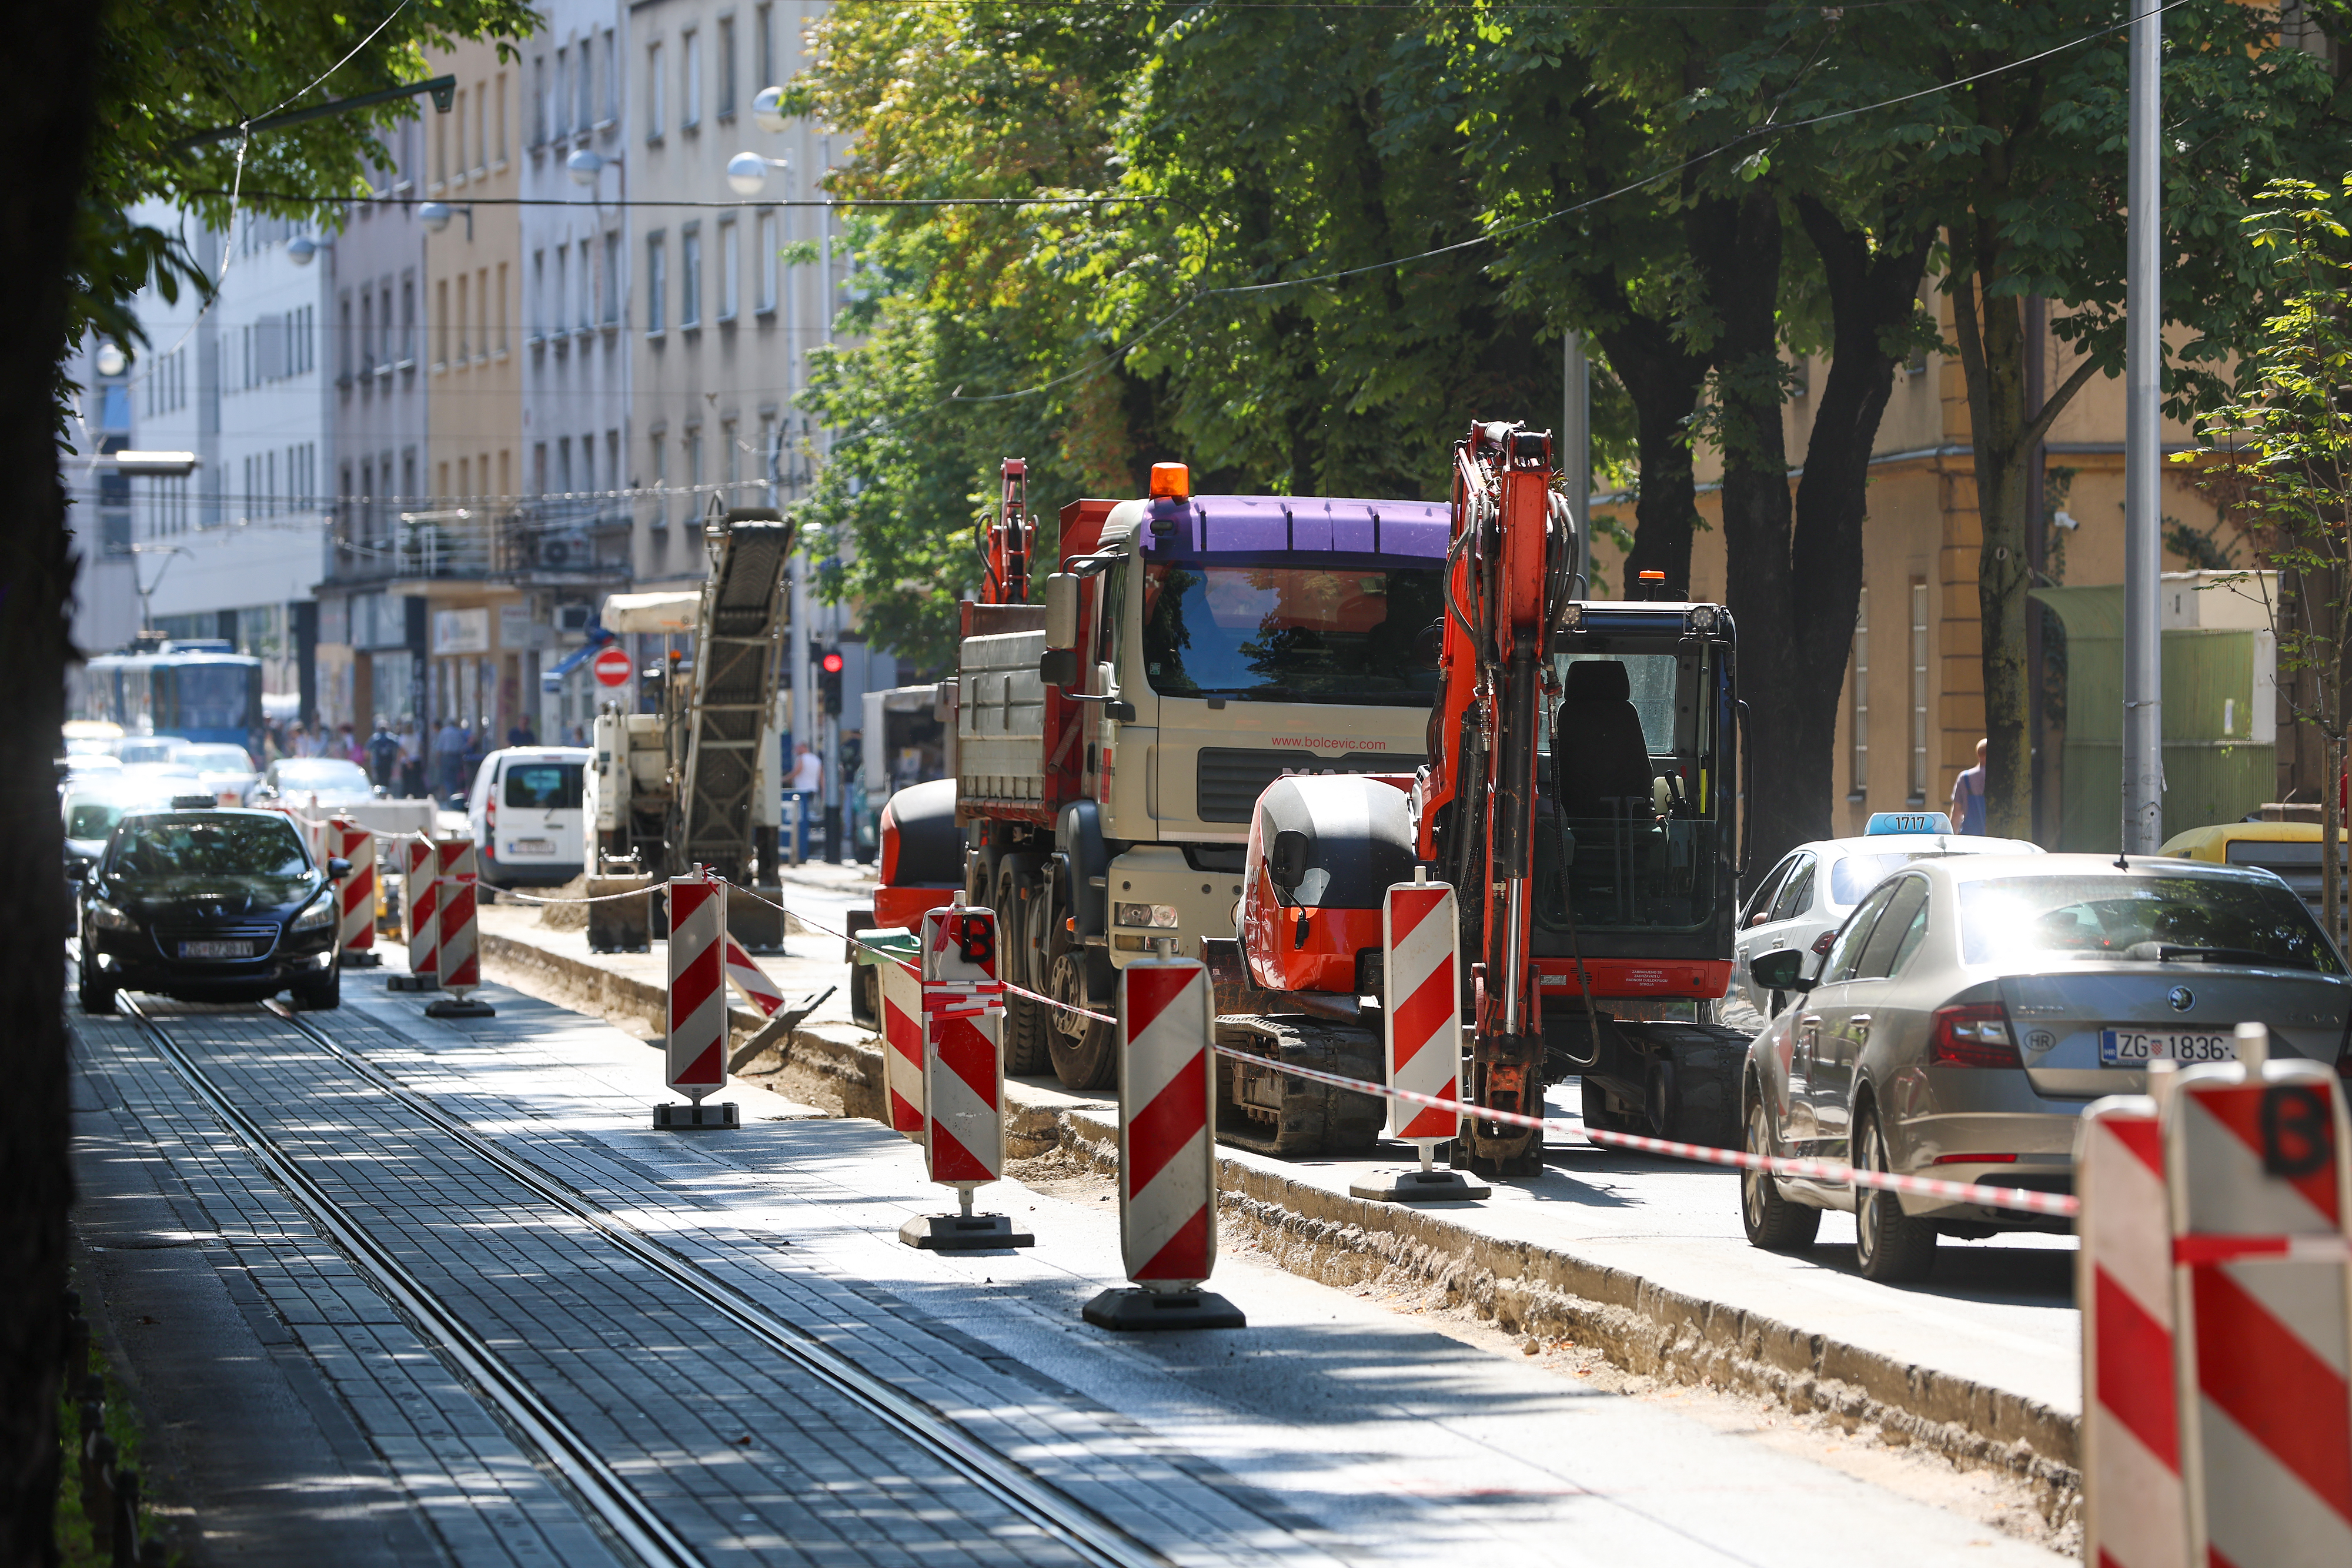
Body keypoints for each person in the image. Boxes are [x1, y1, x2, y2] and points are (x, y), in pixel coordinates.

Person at [1950, 737, 1989, 835]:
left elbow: (1957, 812)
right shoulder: (1999, 777)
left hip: (1970, 836)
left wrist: (1951, 836)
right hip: (1993, 837)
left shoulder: (1965, 778)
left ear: (1978, 754)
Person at [432, 717, 467, 802]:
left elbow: (439, 748)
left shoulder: (443, 732)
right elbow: (462, 747)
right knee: (455, 777)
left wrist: (438, 760)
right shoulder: (458, 732)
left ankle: (450, 796)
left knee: (447, 777)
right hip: (456, 756)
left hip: (446, 757)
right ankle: (454, 795)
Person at [366, 716, 401, 789]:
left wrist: (370, 760)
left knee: (379, 778)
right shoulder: (392, 738)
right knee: (387, 778)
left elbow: (367, 751)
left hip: (378, 762)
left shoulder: (375, 738)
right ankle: (386, 790)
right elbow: (399, 748)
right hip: (389, 761)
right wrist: (398, 760)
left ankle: (380, 790)